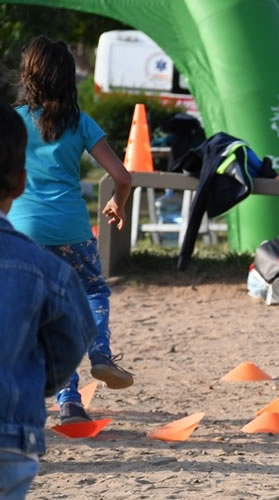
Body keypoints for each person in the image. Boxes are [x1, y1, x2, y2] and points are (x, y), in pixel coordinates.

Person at [9, 36, 134, 424]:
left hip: (23, 232)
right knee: (93, 289)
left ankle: (70, 401)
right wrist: (117, 203)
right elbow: (122, 176)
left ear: (28, 75)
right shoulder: (80, 122)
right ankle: (100, 352)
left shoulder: (13, 121)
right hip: (72, 230)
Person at [0, 101, 97, 499]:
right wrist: (38, 382)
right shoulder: (47, 272)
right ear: (20, 183)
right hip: (9, 437)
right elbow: (72, 339)